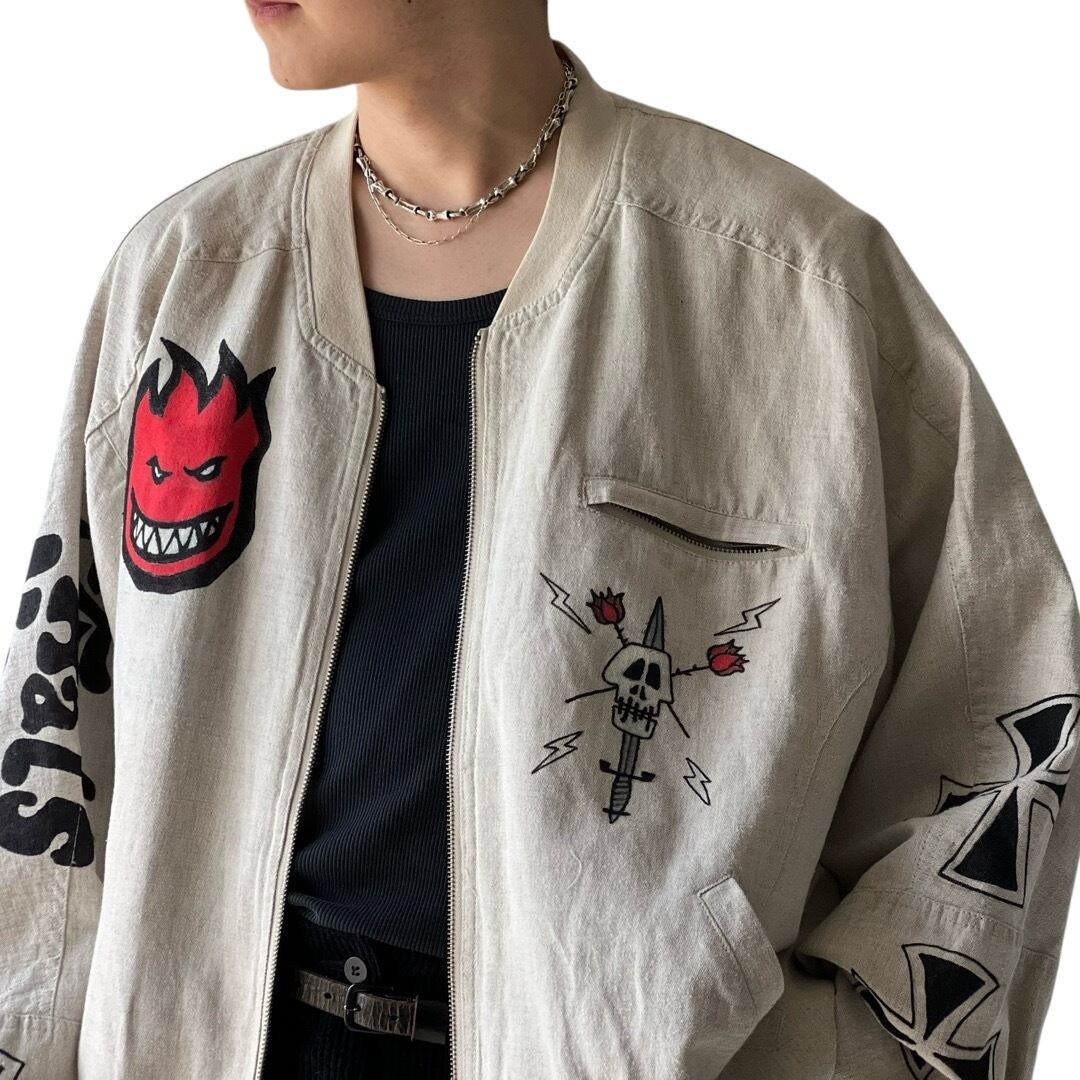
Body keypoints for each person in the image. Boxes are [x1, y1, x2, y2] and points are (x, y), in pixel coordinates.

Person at [0, 2, 1077, 1078]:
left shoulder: (796, 288)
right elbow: (53, 750)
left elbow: (1008, 713)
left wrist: (840, 1054)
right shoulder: (188, 275)